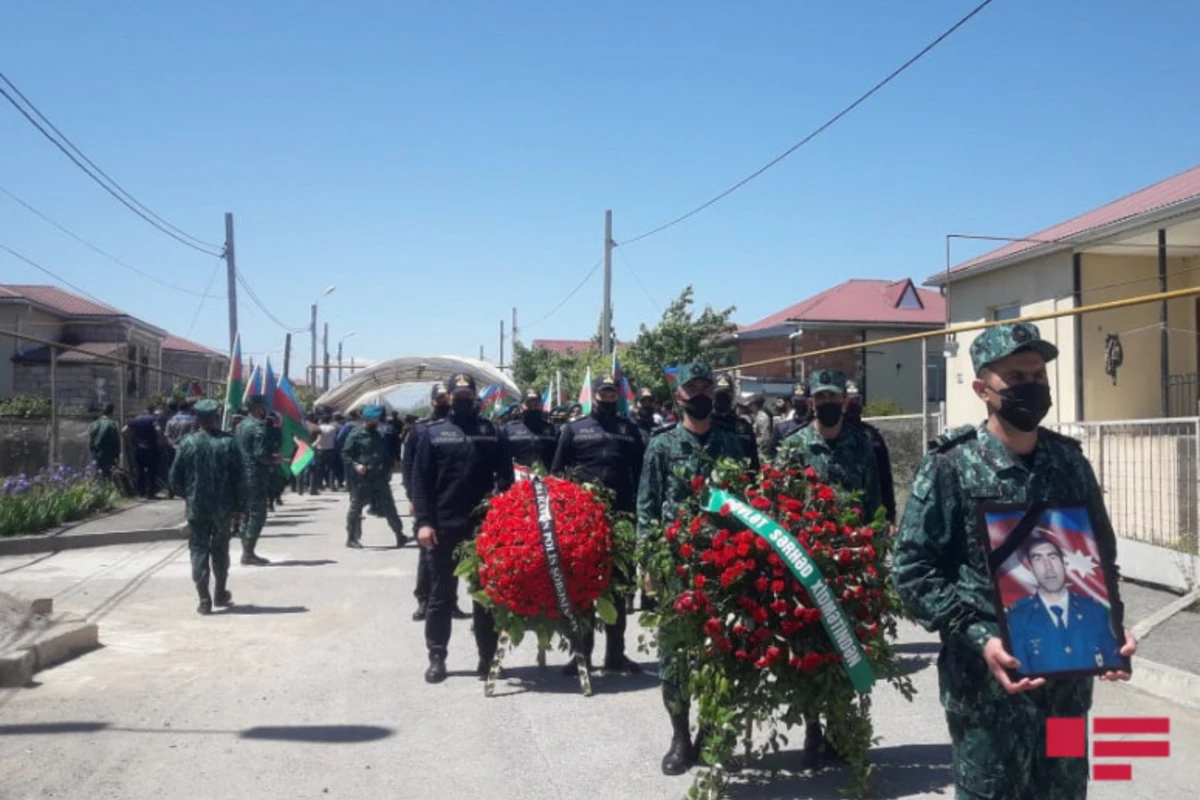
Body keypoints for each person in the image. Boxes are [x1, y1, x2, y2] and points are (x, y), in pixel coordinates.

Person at [893, 322, 1136, 800]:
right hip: (988, 693)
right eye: (1017, 377)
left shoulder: (1069, 463)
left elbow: (1100, 557)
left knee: (1065, 791)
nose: (1032, 387)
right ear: (985, 390)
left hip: (1066, 694)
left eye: (1038, 375)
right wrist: (980, 637)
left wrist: (1112, 628)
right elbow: (912, 570)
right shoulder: (950, 466)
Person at [637, 362, 746, 775]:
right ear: (678, 396)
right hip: (676, 566)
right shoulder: (662, 445)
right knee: (677, 654)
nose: (700, 394)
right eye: (692, 388)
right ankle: (681, 739)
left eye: (706, 387)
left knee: (723, 651)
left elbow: (746, 502)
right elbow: (646, 507)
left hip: (724, 566)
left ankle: (715, 734)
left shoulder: (731, 443)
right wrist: (649, 562)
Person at [775, 369, 883, 766]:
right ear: (810, 402)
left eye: (834, 397)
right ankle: (811, 728)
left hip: (851, 562)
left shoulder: (863, 444)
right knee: (808, 647)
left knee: (847, 647)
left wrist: (874, 551)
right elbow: (777, 501)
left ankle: (839, 727)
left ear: (845, 400)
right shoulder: (793, 446)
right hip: (806, 562)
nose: (828, 404)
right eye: (821, 398)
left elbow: (872, 503)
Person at [411, 374, 514, 683]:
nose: (463, 400)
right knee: (441, 595)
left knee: (485, 597)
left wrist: (500, 510)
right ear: (450, 397)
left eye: (469, 395)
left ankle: (486, 657)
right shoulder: (433, 433)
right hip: (444, 527)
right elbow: (420, 482)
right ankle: (437, 656)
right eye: (459, 395)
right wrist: (424, 522)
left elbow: (506, 477)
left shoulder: (492, 432)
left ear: (476, 398)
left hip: (483, 526)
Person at [551, 372, 645, 675]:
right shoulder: (573, 430)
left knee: (618, 589)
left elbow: (641, 474)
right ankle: (582, 654)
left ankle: (615, 655)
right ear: (594, 395)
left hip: (621, 519)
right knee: (582, 588)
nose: (607, 397)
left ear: (618, 395)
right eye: (603, 392)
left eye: (611, 392)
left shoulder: (631, 431)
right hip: (582, 520)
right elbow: (557, 473)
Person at [1005, 532, 1123, 675]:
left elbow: (1113, 661)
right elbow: (1020, 672)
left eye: (1053, 557)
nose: (1047, 566)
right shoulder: (1018, 617)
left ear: (1063, 563)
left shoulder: (1095, 611)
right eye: (1038, 559)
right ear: (1030, 567)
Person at [169, 399, 245, 615]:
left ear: (198, 419)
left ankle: (204, 599)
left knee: (198, 550)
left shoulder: (188, 443)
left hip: (197, 507)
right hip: (223, 508)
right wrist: (239, 505)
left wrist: (189, 495)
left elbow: (174, 478)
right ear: (215, 417)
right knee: (220, 549)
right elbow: (239, 478)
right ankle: (220, 592)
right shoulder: (229, 443)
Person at [403, 383, 467, 622]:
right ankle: (423, 599)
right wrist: (412, 498)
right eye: (438, 398)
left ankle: (451, 602)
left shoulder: (459, 427)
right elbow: (411, 466)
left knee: (454, 561)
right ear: (432, 401)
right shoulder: (421, 430)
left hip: (452, 504)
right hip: (428, 503)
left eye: (445, 398)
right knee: (427, 555)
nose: (443, 402)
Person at [344, 404, 408, 549]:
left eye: (376, 420)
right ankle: (351, 537)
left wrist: (389, 468)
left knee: (389, 506)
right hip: (361, 479)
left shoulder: (380, 435)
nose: (374, 422)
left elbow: (385, 454)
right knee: (356, 508)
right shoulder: (355, 434)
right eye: (371, 420)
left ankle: (399, 534)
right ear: (365, 419)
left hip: (379, 477)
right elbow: (345, 454)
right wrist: (356, 465)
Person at [843, 382, 897, 524]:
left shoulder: (871, 435)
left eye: (857, 400)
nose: (854, 404)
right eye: (850, 401)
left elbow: (885, 477)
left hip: (869, 509)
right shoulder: (835, 434)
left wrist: (890, 515)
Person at [233, 394, 274, 566]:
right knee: (258, 514)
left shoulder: (241, 425)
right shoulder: (259, 427)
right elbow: (260, 454)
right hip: (255, 475)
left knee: (247, 514)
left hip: (241, 474)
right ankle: (248, 553)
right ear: (258, 408)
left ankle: (246, 549)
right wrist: (274, 460)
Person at [711, 372, 759, 471]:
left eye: (727, 394)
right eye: (719, 394)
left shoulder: (743, 427)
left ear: (732, 396)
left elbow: (754, 462)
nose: (723, 398)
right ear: (712, 396)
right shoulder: (706, 425)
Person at [502, 388, 560, 470]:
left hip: (547, 479)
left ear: (541, 405)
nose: (533, 407)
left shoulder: (552, 430)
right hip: (518, 480)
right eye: (528, 403)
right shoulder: (509, 430)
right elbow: (503, 458)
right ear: (521, 405)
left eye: (536, 403)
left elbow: (558, 458)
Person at [124, 404, 162, 499]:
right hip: (151, 448)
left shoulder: (136, 419)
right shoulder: (153, 418)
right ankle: (150, 493)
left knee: (139, 470)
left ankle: (140, 492)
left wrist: (132, 440)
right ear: (152, 410)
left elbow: (123, 431)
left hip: (137, 448)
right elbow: (158, 429)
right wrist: (160, 438)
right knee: (151, 471)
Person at [768, 384, 808, 459]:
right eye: (796, 401)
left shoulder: (817, 427)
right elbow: (772, 454)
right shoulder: (781, 428)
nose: (799, 404)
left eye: (802, 401)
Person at [88, 403, 122, 478]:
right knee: (109, 474)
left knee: (98, 473)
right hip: (109, 454)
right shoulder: (112, 424)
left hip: (97, 453)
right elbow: (115, 440)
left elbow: (91, 441)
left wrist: (93, 451)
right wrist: (117, 453)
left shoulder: (94, 424)